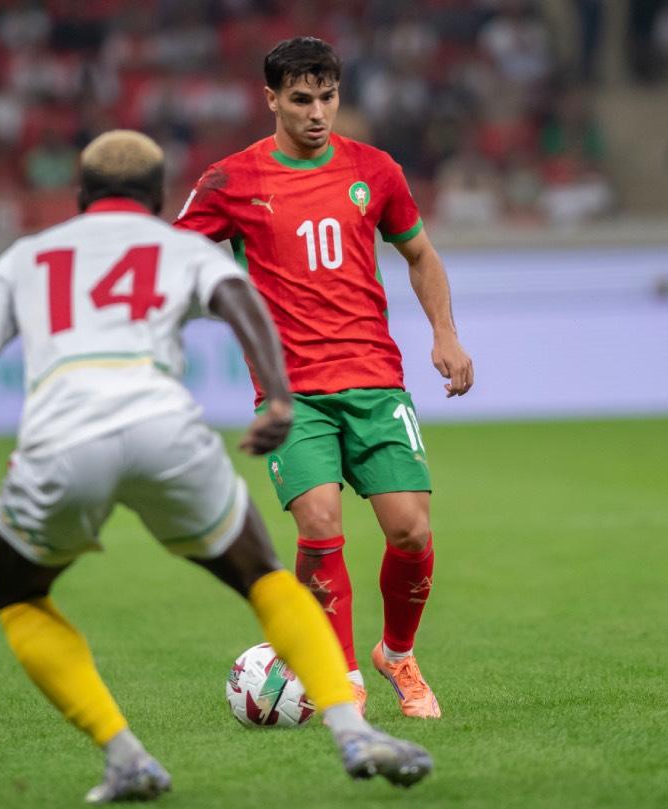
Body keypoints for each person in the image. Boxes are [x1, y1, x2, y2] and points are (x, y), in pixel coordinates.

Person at [0, 130, 432, 803]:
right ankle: (351, 731)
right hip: (166, 432)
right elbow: (243, 304)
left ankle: (125, 756)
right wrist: (278, 396)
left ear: (80, 195)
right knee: (263, 576)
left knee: (18, 594)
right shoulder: (179, 249)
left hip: (62, 441)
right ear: (155, 199)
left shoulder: (26, 257)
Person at [175, 37, 474, 720]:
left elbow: (420, 254)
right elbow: (173, 254)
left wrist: (445, 333)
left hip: (375, 381)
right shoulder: (232, 180)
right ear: (271, 99)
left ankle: (397, 654)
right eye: (302, 99)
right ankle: (342, 677)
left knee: (410, 531)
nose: (317, 113)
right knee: (318, 520)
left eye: (328, 98)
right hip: (293, 393)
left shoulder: (376, 170)